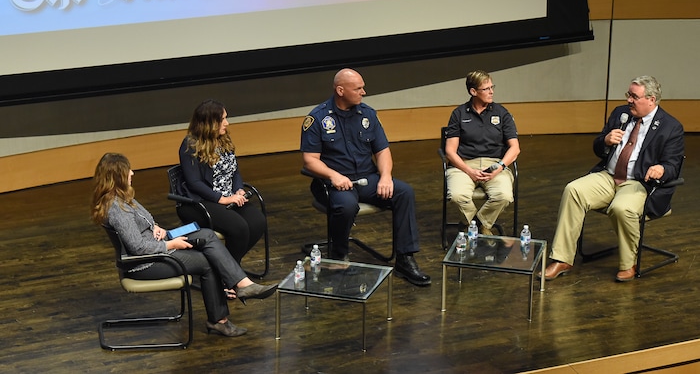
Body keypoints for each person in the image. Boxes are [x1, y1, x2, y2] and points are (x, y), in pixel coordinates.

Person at [91, 153, 277, 337]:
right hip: (145, 263)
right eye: (127, 170)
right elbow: (137, 248)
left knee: (206, 233)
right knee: (207, 263)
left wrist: (155, 227)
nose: (132, 173)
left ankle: (241, 284)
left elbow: (143, 220)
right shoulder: (116, 208)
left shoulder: (122, 197)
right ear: (116, 176)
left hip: (158, 242)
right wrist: (172, 244)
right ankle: (220, 319)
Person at [542, 75, 684, 282]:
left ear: (651, 99)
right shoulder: (621, 113)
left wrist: (661, 169)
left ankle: (629, 264)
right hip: (608, 176)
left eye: (634, 96)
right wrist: (606, 141)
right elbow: (598, 147)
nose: (629, 100)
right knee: (573, 190)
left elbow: (673, 165)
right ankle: (562, 258)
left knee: (621, 208)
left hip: (638, 182)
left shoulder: (670, 127)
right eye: (628, 95)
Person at [300, 68, 431, 287]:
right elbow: (310, 160)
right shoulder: (318, 118)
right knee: (347, 205)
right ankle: (339, 258)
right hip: (332, 183)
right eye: (358, 88)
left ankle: (405, 259)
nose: (364, 92)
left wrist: (386, 176)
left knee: (404, 192)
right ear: (340, 90)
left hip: (366, 178)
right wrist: (334, 175)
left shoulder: (368, 114)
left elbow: (382, 151)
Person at [178, 99, 266, 265]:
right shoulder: (190, 145)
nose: (227, 123)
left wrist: (238, 189)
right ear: (209, 123)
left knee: (257, 222)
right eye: (222, 119)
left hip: (228, 197)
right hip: (201, 202)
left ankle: (228, 267)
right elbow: (194, 182)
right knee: (239, 228)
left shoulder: (223, 139)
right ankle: (230, 272)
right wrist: (222, 199)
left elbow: (234, 171)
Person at [444, 70, 520, 234]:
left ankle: (478, 226)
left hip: (494, 164)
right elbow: (450, 151)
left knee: (504, 196)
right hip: (463, 165)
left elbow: (515, 148)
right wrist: (469, 171)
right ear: (473, 91)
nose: (491, 91)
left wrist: (499, 167)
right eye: (486, 89)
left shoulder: (502, 113)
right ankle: (478, 227)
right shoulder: (459, 114)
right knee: (457, 196)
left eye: (492, 87)